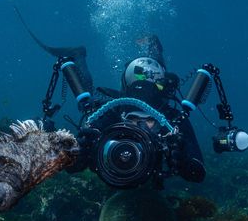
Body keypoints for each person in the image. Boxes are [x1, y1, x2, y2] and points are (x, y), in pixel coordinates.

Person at [81, 35, 206, 184]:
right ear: (123, 117)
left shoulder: (171, 119)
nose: (141, 126)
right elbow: (74, 166)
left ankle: (154, 48)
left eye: (150, 120)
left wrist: (183, 160)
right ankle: (79, 58)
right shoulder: (113, 111)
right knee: (86, 102)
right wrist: (83, 148)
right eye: (133, 119)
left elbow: (198, 174)